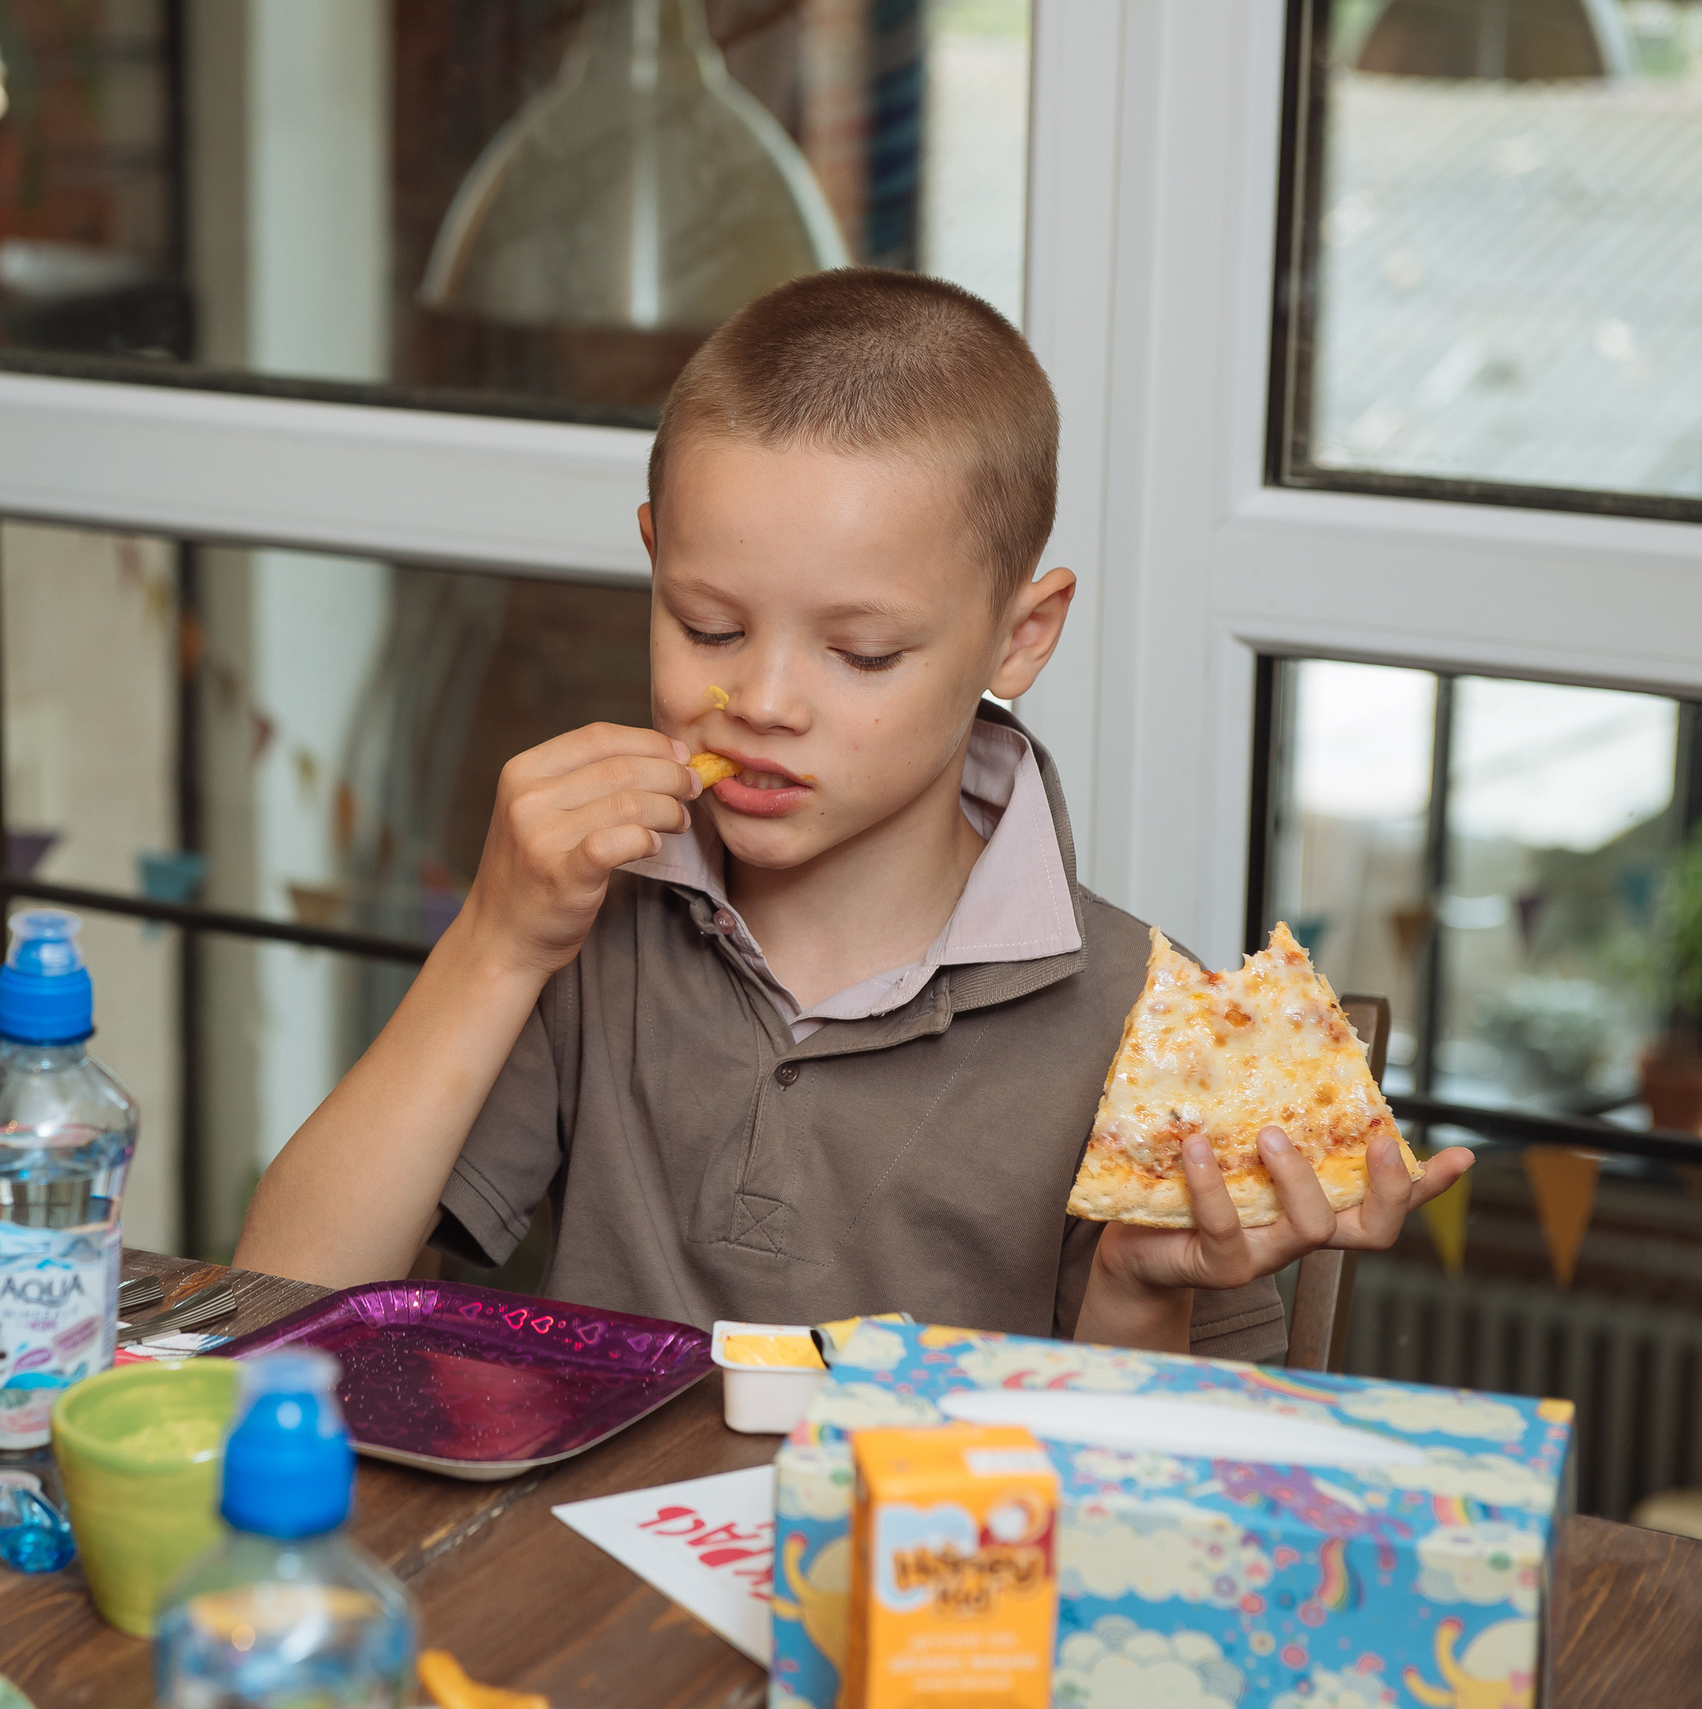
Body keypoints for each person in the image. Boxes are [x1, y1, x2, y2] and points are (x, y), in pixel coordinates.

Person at [233, 269, 1472, 1356]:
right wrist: (495, 942)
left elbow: (1166, 1520)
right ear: (654, 559)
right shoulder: (587, 925)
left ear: (1019, 633)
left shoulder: (1151, 1029)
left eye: (862, 652)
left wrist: (1138, 1290)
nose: (762, 701)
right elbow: (274, 1309)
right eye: (707, 625)